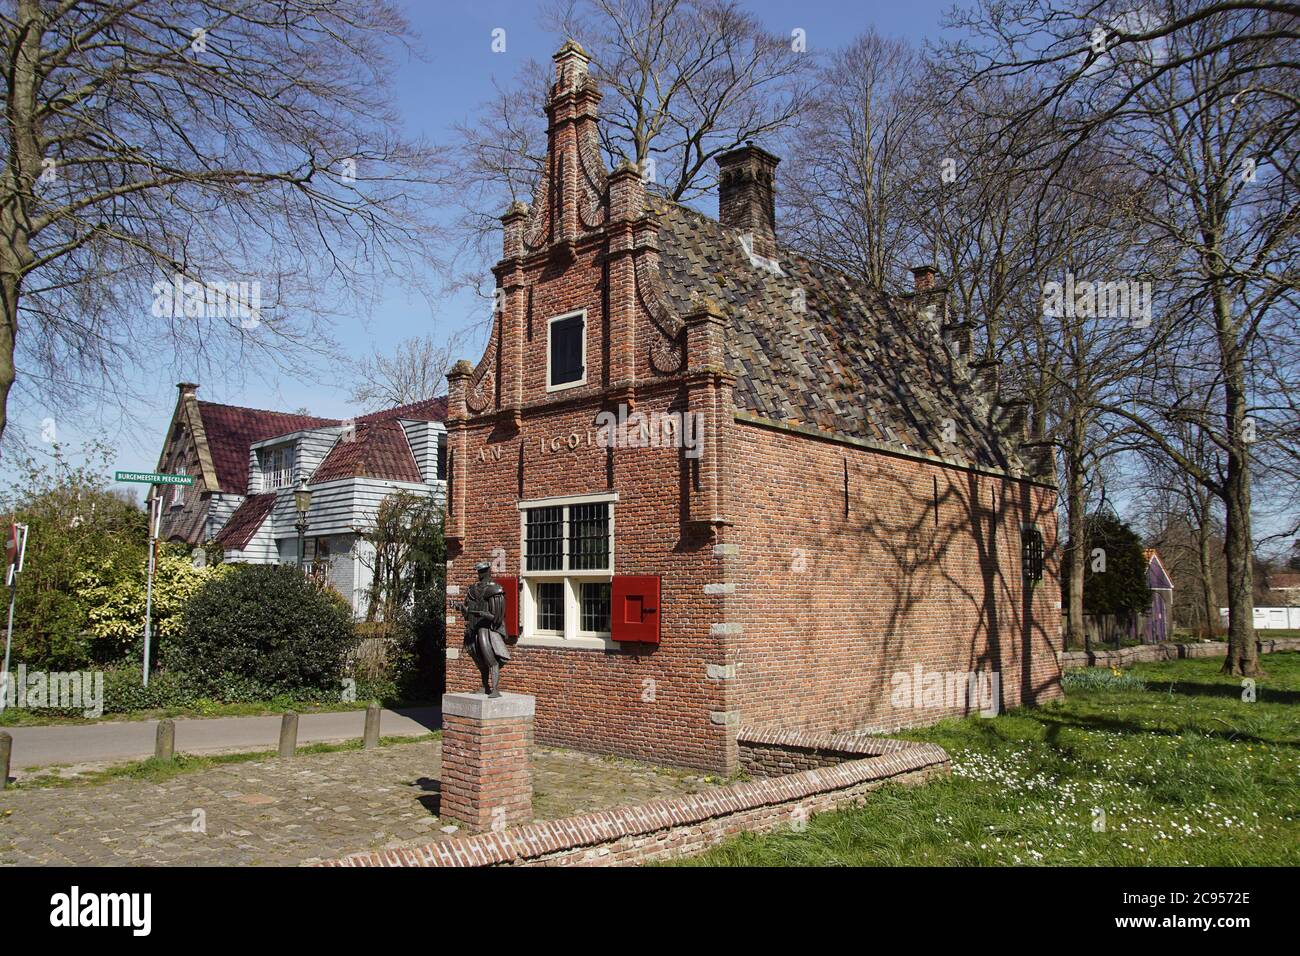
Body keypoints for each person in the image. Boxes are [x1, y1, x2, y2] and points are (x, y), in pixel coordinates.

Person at [456, 561, 511, 697]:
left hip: (486, 630)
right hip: (473, 628)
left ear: (487, 571)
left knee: (490, 659)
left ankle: (495, 689)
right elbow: (467, 611)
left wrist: (483, 614)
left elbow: (497, 616)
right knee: (478, 659)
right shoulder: (472, 589)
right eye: (478, 571)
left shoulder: (495, 590)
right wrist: (463, 609)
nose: (479, 574)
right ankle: (485, 686)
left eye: (482, 571)